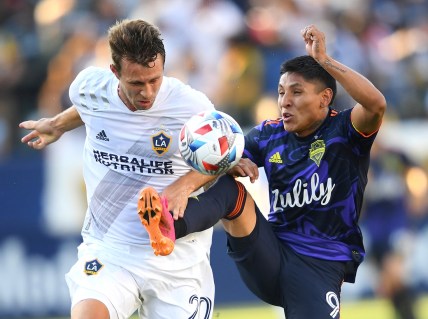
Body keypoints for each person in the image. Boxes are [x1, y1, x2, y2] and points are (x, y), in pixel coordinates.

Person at [140, 24, 387, 319]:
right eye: (281, 92)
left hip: (319, 266)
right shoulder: (269, 134)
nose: (285, 101)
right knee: (232, 188)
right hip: (269, 254)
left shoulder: (345, 131)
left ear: (324, 98)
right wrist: (185, 187)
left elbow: (376, 104)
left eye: (297, 92)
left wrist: (324, 61)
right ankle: (169, 228)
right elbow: (220, 160)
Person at [19, 19, 219, 319]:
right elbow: (89, 107)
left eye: (155, 79)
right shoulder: (87, 87)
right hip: (109, 250)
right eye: (137, 83)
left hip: (176, 258)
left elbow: (223, 157)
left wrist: (185, 185)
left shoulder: (191, 106)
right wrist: (57, 124)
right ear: (114, 73)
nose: (148, 92)